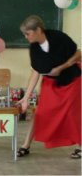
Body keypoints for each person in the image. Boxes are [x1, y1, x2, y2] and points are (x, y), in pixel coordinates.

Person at [16, 15, 81, 159]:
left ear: (38, 30)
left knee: (73, 114)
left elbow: (78, 53)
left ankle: (80, 146)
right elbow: (36, 72)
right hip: (50, 84)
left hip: (71, 80)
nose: (26, 37)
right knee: (40, 113)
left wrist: (63, 67)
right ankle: (25, 145)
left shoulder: (59, 37)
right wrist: (26, 98)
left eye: (28, 33)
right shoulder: (33, 48)